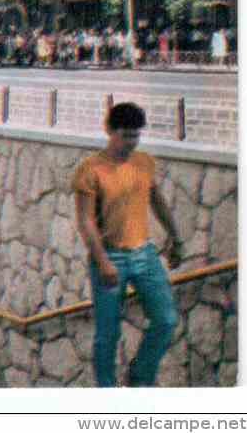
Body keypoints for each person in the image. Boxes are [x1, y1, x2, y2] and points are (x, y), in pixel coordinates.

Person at [72, 102, 181, 387]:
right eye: (126, 135)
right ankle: (107, 392)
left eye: (136, 136)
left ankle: (139, 378)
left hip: (144, 254)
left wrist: (175, 236)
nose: (131, 142)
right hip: (109, 257)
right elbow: (85, 221)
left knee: (166, 319)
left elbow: (156, 199)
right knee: (107, 333)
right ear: (109, 130)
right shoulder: (90, 169)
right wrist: (103, 261)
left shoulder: (144, 162)